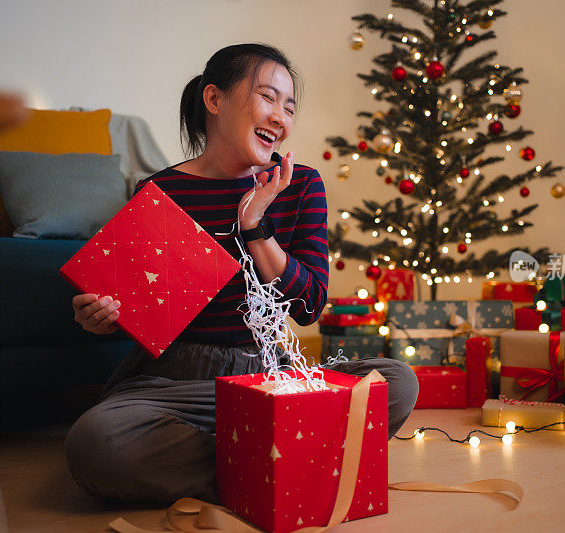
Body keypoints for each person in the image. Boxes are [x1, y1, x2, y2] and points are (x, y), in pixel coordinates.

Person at [64, 43, 418, 504]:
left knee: (396, 383)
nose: (281, 118)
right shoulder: (159, 191)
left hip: (272, 378)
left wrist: (256, 228)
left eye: (289, 107)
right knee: (95, 443)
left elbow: (309, 306)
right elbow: (138, 310)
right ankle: (279, 463)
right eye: (268, 98)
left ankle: (256, 459)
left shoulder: (300, 184)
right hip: (177, 385)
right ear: (214, 100)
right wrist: (103, 316)